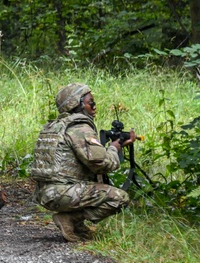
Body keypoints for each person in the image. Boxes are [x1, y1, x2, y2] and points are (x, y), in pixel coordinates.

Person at [30, 83, 135, 242]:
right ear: (77, 104)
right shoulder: (79, 127)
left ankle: (74, 225)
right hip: (62, 193)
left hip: (44, 193)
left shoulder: (55, 126)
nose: (94, 107)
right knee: (119, 198)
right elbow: (101, 164)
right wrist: (114, 148)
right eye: (90, 102)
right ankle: (72, 219)